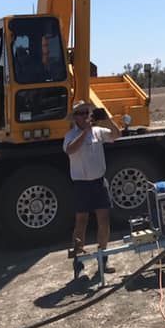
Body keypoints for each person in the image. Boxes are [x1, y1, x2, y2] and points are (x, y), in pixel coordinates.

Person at [63, 101, 120, 271]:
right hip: (82, 185)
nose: (85, 115)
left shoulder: (98, 132)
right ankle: (78, 258)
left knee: (104, 219)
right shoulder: (70, 135)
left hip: (98, 182)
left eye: (86, 112)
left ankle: (103, 258)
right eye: (80, 113)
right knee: (81, 221)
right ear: (75, 117)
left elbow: (116, 135)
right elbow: (70, 150)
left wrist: (107, 119)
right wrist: (85, 132)